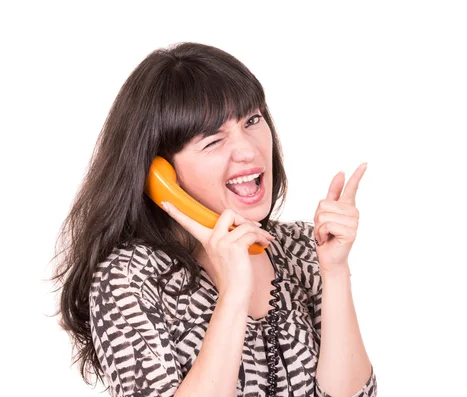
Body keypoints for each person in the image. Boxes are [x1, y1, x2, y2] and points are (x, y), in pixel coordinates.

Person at [52, 41, 377, 397]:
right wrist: (234, 294)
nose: (249, 151)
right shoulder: (129, 279)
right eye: (213, 141)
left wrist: (334, 272)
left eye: (252, 120)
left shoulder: (302, 246)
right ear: (160, 173)